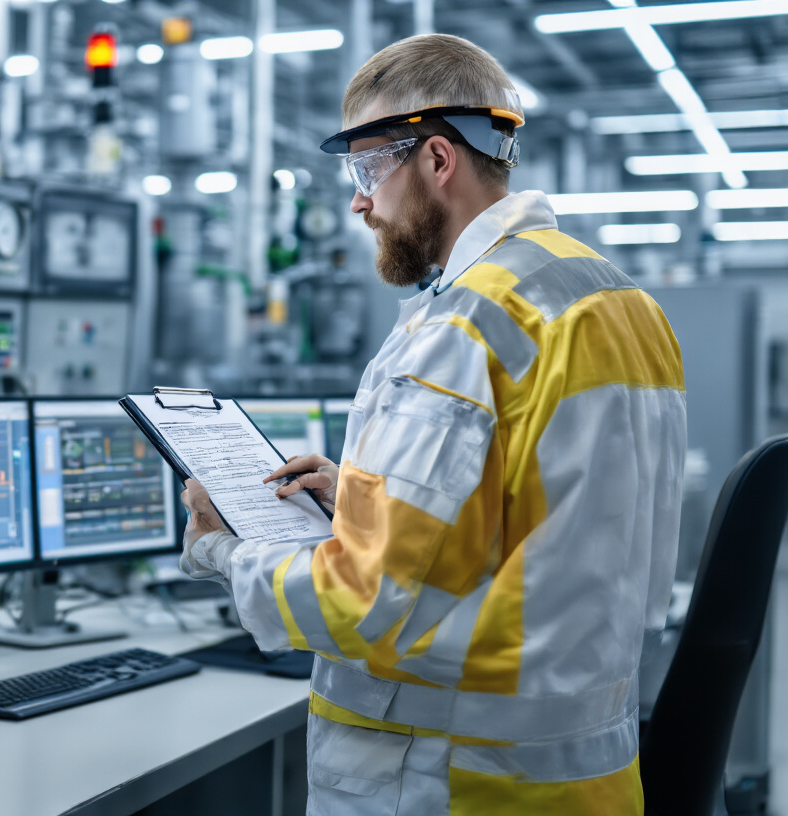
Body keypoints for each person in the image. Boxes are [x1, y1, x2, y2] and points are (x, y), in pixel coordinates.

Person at [179, 34, 686, 814]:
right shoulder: (615, 299)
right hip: (582, 776)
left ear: (438, 160)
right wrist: (358, 495)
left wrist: (226, 549)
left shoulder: (463, 327)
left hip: (447, 777)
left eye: (367, 168)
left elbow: (360, 601)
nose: (359, 201)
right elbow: (544, 519)